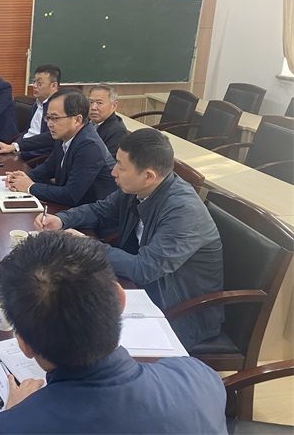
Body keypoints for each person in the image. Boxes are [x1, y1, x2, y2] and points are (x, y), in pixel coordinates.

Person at [0, 232, 227, 434]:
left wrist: (15, 415)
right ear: (120, 299)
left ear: (23, 343)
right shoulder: (200, 378)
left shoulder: (8, 428)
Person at [35, 128, 223, 348]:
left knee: (82, 331)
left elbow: (145, 269)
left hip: (180, 309)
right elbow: (101, 210)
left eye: (121, 167)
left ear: (149, 176)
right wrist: (61, 219)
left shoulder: (184, 211)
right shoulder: (139, 188)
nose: (113, 172)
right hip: (140, 288)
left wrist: (88, 246)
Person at [6, 90, 117, 206]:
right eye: (48, 117)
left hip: (91, 211)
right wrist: (21, 178)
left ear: (77, 120)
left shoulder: (90, 146)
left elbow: (71, 195)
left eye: (55, 118)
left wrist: (30, 187)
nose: (49, 124)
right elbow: (48, 167)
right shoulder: (64, 135)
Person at [0, 64, 59, 159]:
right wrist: (13, 145)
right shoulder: (36, 104)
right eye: (34, 82)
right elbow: (28, 131)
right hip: (22, 148)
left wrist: (16, 148)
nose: (34, 86)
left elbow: (49, 138)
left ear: (53, 85)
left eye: (39, 83)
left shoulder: (58, 108)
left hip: (36, 154)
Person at [88, 84, 128, 157]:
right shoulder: (84, 121)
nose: (93, 107)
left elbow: (109, 162)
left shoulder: (118, 132)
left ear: (114, 105)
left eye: (99, 103)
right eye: (91, 102)